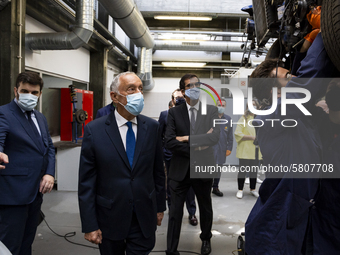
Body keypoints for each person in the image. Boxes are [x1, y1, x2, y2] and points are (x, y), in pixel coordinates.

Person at [245, 32, 337, 255]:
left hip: (299, 220)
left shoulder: (299, 116)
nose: (294, 76)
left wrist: (304, 48)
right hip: (275, 228)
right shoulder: (272, 115)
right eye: (288, 76)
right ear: (272, 90)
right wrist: (326, 33)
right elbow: (307, 82)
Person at [78, 71, 166, 255]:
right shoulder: (95, 130)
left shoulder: (152, 128)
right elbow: (86, 182)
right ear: (114, 96)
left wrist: (159, 207)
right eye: (131, 89)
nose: (138, 94)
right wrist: (89, 224)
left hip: (143, 215)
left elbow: (158, 172)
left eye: (140, 89)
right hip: (110, 217)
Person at [0, 71, 55, 255]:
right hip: (12, 193)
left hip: (35, 192)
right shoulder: (4, 114)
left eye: (34, 92)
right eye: (25, 91)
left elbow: (48, 148)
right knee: (9, 245)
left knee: (26, 242)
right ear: (16, 91)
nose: (29, 96)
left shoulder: (40, 117)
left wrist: (49, 173)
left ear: (40, 94)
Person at [165, 74, 220, 255]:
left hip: (203, 168)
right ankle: (171, 249)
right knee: (174, 212)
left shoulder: (211, 110)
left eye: (198, 85)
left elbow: (214, 137)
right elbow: (170, 142)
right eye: (190, 85)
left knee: (205, 207)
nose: (195, 88)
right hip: (180, 170)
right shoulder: (174, 113)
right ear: (183, 91)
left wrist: (187, 139)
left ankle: (206, 239)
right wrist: (198, 146)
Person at [158, 95, 197, 225]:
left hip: (189, 155)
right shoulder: (165, 114)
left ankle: (192, 212)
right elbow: (161, 136)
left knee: (190, 187)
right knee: (171, 184)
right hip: (171, 156)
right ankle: (172, 209)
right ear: (173, 100)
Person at [234, 100, 262, 199]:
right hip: (245, 150)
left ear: (258, 107)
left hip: (256, 150)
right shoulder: (243, 118)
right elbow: (238, 133)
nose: (252, 107)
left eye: (254, 105)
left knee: (254, 171)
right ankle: (240, 190)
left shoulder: (260, 119)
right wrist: (252, 137)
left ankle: (253, 189)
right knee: (242, 170)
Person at [211, 98, 233, 197]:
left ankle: (215, 187)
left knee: (218, 169)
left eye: (223, 105)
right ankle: (207, 187)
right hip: (210, 148)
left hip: (222, 148)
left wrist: (229, 148)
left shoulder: (228, 119)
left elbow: (230, 136)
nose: (221, 107)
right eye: (219, 105)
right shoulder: (209, 118)